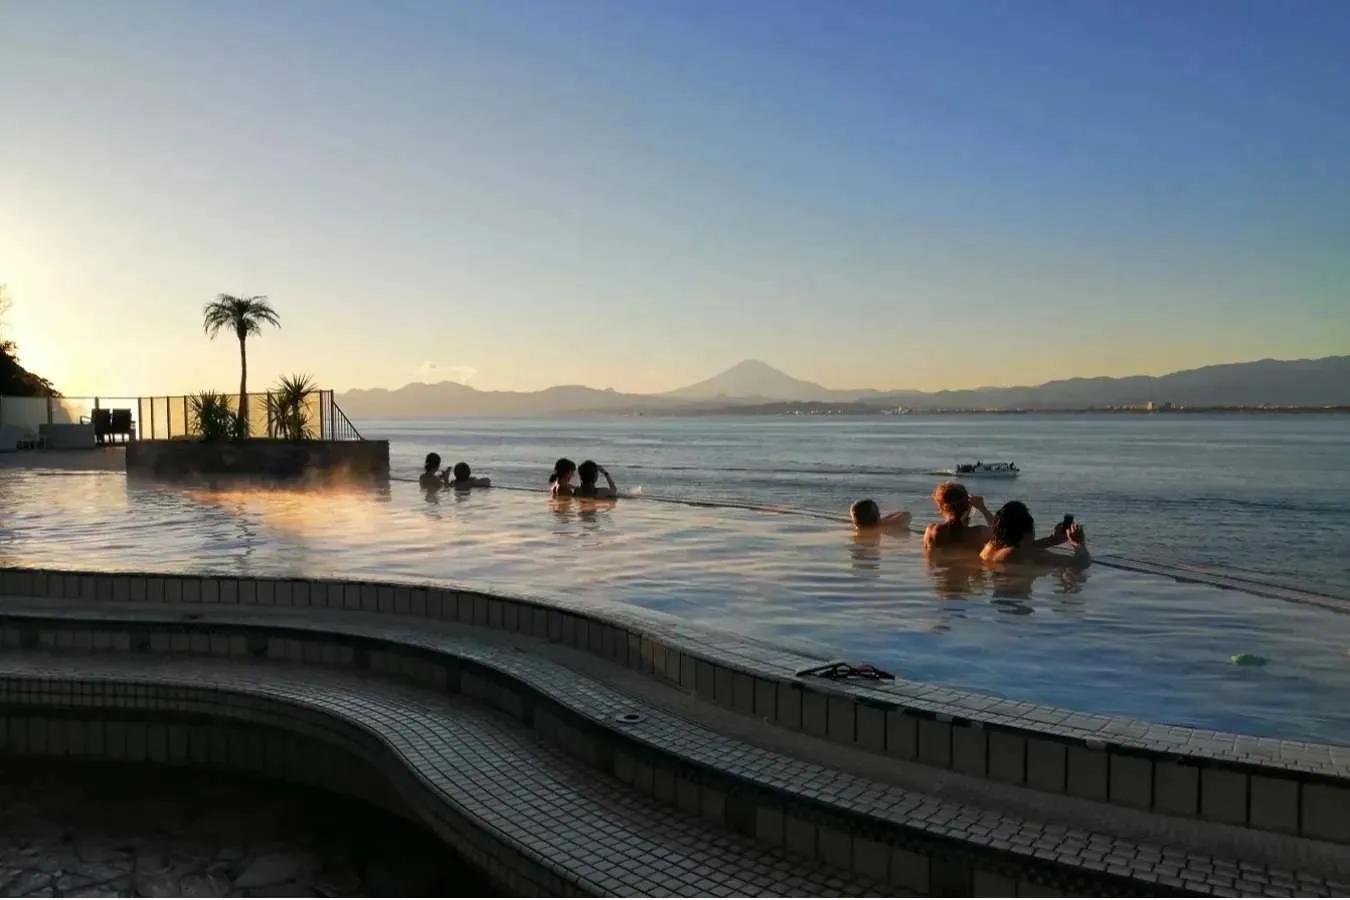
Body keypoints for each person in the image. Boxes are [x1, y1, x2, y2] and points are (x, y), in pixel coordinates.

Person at [980, 500, 1090, 567]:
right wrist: (1078, 543)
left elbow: (1023, 547)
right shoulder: (1028, 555)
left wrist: (1053, 540)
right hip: (1019, 603)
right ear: (1026, 533)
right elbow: (1081, 563)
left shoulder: (991, 547)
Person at [923, 482, 994, 552]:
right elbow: (1001, 533)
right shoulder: (979, 533)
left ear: (940, 506)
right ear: (967, 506)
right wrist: (983, 508)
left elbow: (928, 560)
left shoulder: (931, 531)